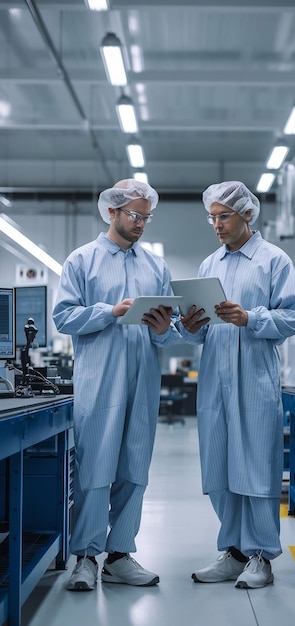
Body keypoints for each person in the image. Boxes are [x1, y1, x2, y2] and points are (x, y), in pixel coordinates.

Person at [53, 179, 181, 591]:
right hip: (99, 381)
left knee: (134, 467)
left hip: (142, 380)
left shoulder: (154, 266)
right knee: (94, 467)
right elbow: (64, 317)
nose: (142, 223)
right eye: (135, 215)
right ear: (111, 211)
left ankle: (121, 554)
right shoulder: (82, 261)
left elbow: (167, 331)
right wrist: (110, 311)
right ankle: (87, 557)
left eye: (147, 216)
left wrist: (165, 329)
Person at [177, 181, 295, 589]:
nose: (216, 224)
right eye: (211, 217)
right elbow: (200, 332)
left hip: (254, 380)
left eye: (223, 216)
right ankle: (233, 551)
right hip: (214, 380)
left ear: (247, 214)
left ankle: (261, 557)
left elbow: (293, 318)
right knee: (218, 466)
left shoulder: (273, 260)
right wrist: (189, 326)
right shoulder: (209, 263)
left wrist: (251, 318)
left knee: (256, 468)